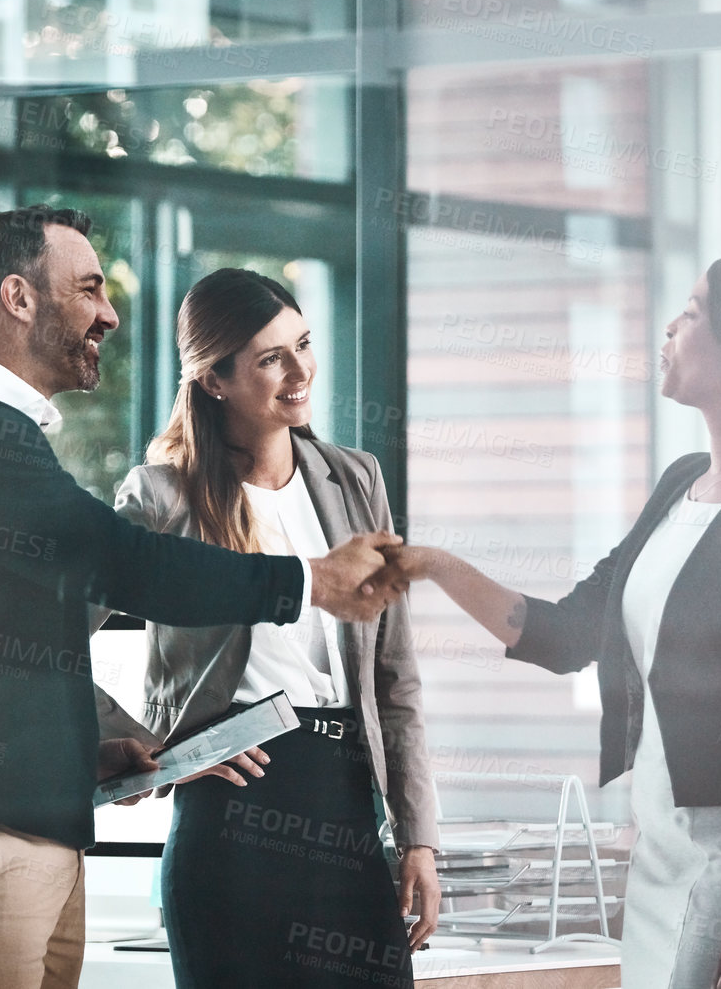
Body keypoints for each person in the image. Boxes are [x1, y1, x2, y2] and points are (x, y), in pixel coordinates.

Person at [0, 206, 403, 989]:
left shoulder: (0, 435)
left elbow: (21, 641)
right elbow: (116, 560)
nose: (110, 313)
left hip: (25, 837)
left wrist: (89, 747)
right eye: (88, 289)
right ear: (18, 298)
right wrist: (308, 579)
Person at [386, 253, 721, 989]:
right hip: (657, 858)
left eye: (694, 312)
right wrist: (429, 564)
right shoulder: (682, 482)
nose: (671, 326)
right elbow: (562, 635)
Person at [111, 267, 441, 989]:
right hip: (234, 817)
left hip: (351, 807)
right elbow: (50, 627)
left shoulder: (356, 480)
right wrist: (150, 757)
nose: (300, 372)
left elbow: (395, 676)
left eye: (303, 344)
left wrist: (419, 838)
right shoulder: (162, 496)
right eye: (270, 358)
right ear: (214, 379)